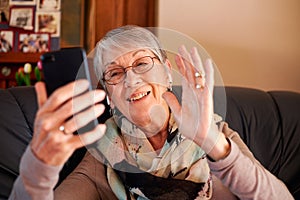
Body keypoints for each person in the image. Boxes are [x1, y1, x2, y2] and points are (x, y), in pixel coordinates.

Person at [9, 25, 293, 200]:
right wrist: (38, 166)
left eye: (142, 63)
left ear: (167, 71)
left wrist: (210, 141)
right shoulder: (102, 155)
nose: (132, 80)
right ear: (109, 94)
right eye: (115, 73)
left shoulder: (218, 134)